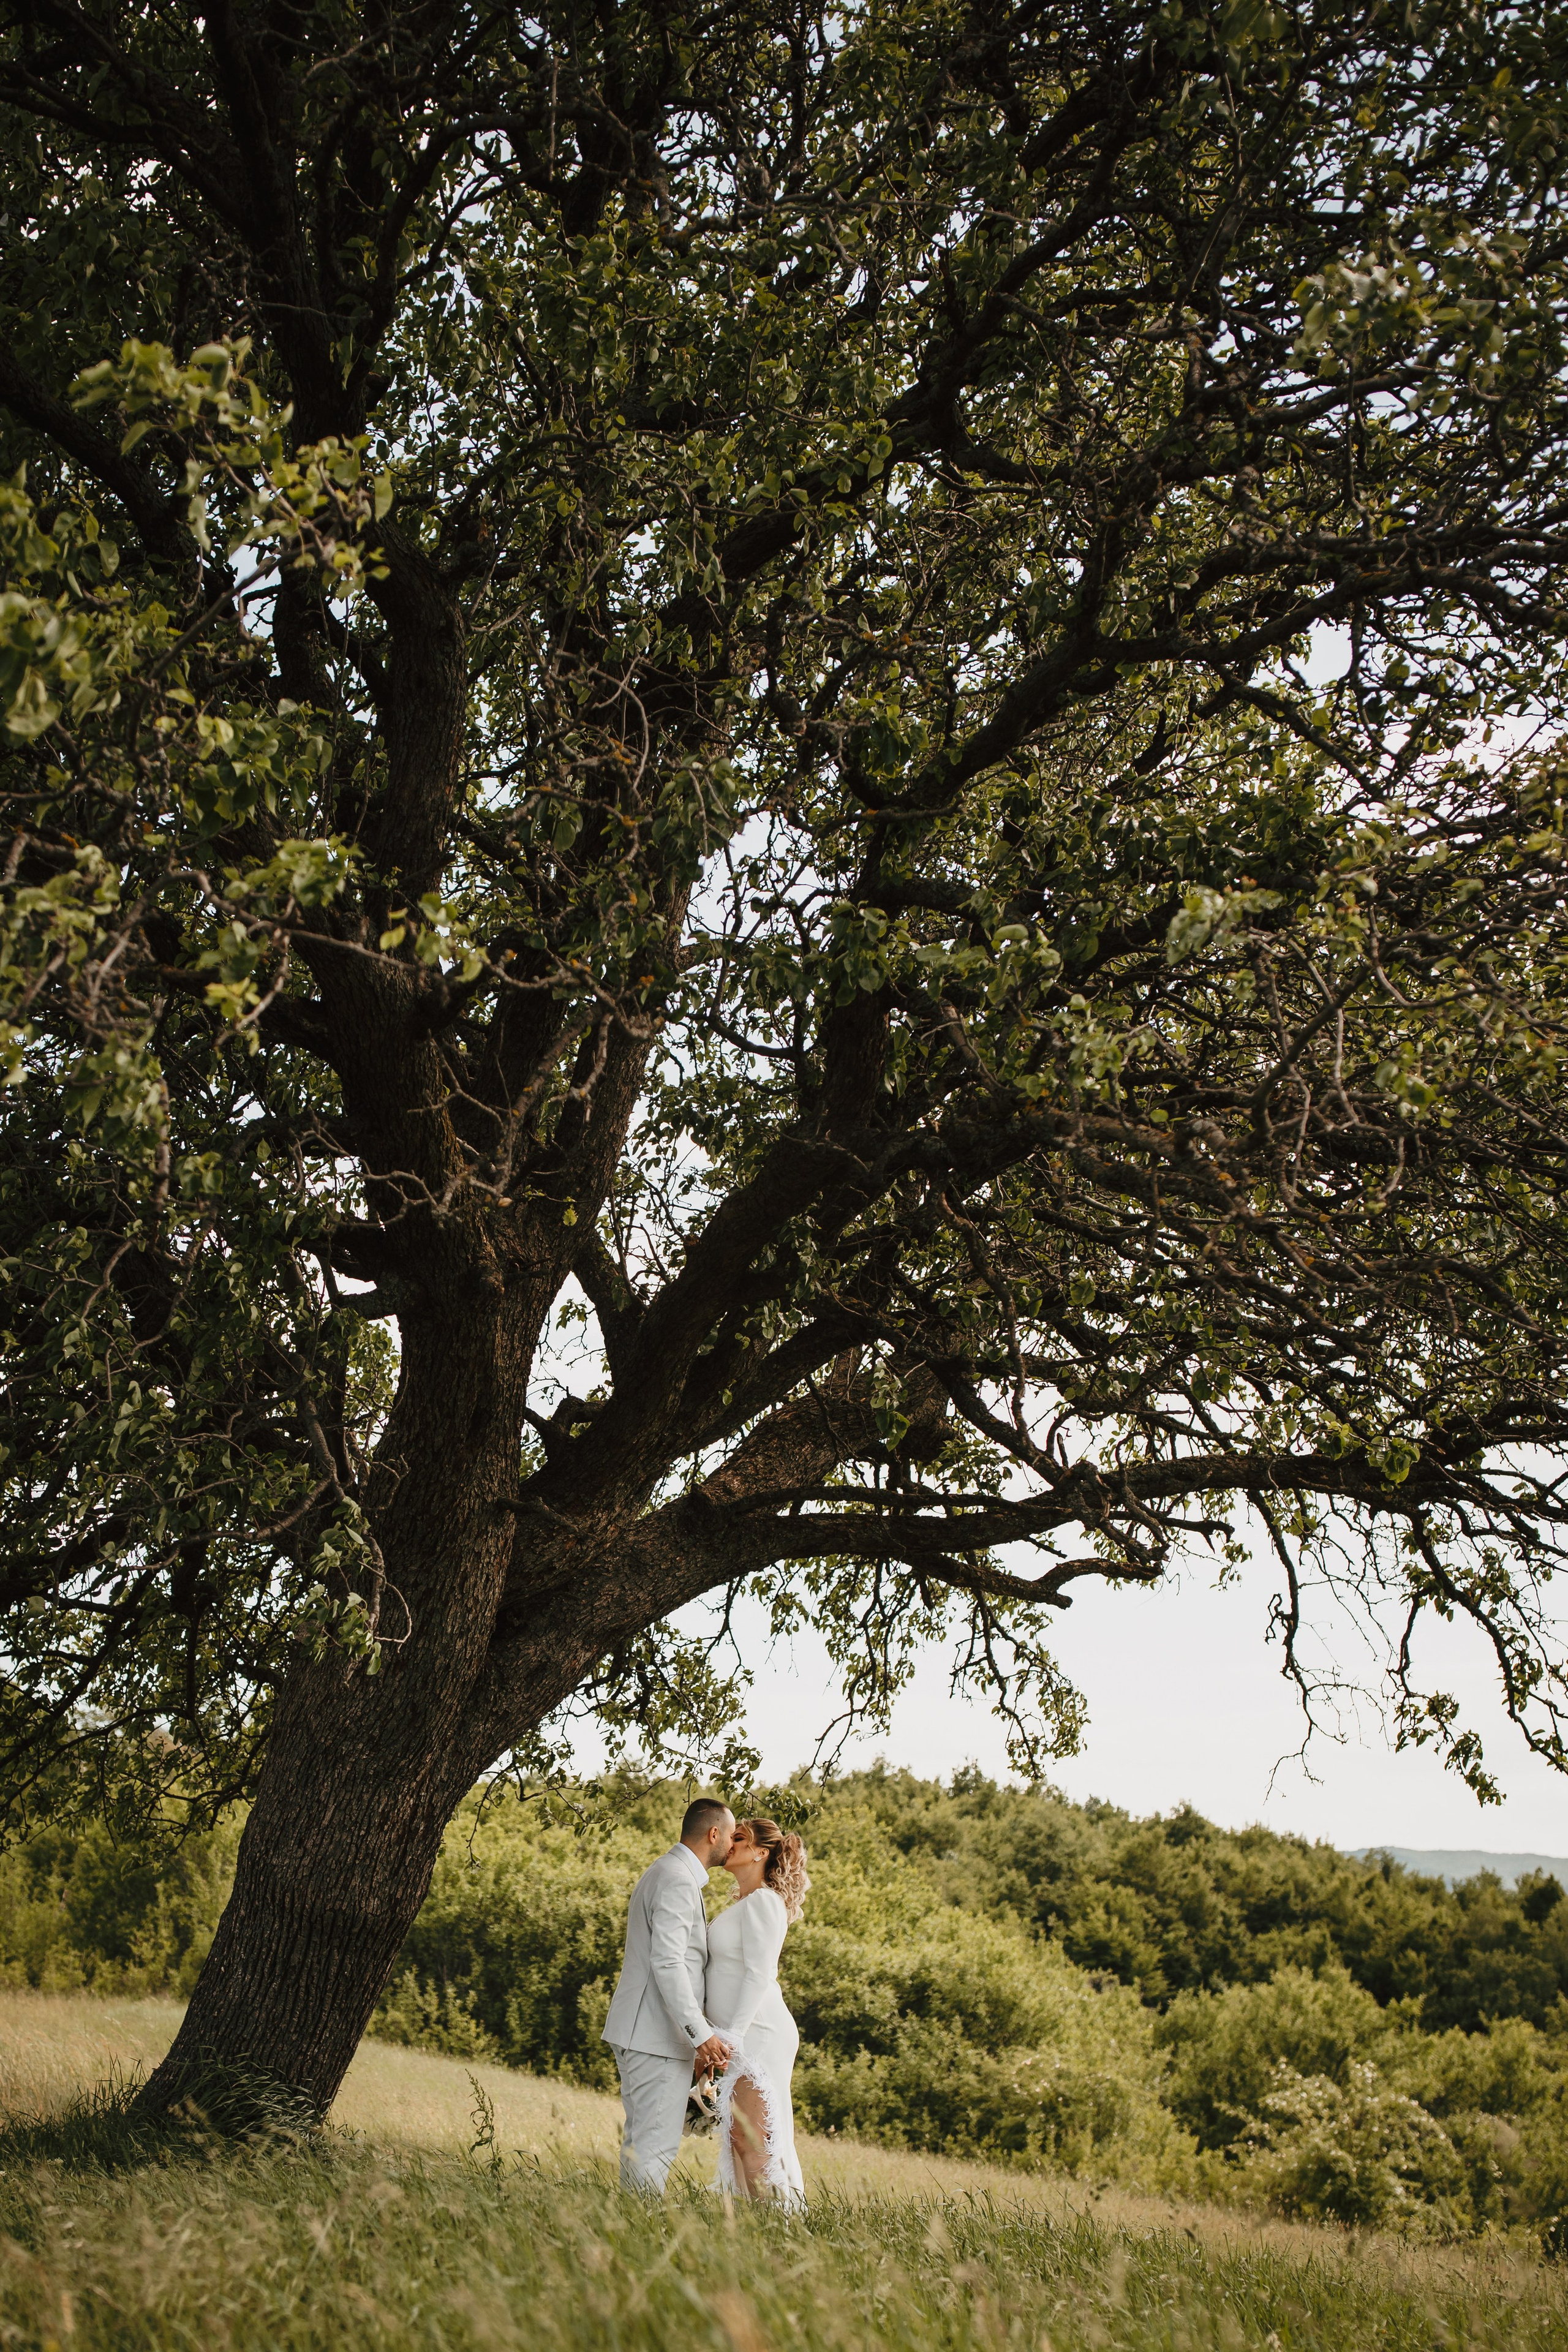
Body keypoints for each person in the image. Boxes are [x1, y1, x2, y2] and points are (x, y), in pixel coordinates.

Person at [602, 1796, 736, 2193]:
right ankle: (639, 2227)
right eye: (732, 1836)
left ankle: (629, 2223)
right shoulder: (677, 1878)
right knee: (655, 2147)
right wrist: (702, 2036)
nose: (733, 1845)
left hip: (643, 2032)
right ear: (714, 1834)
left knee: (642, 2144)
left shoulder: (667, 1870)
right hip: (655, 2036)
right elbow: (669, 1962)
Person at [703, 1814, 811, 2209]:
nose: (728, 1843)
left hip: (759, 2032)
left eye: (739, 1838)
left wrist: (732, 2034)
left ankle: (781, 2224)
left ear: (760, 1853)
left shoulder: (765, 1901)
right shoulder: (745, 1904)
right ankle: (751, 2223)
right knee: (740, 2138)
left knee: (755, 2141)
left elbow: (759, 1973)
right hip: (740, 2031)